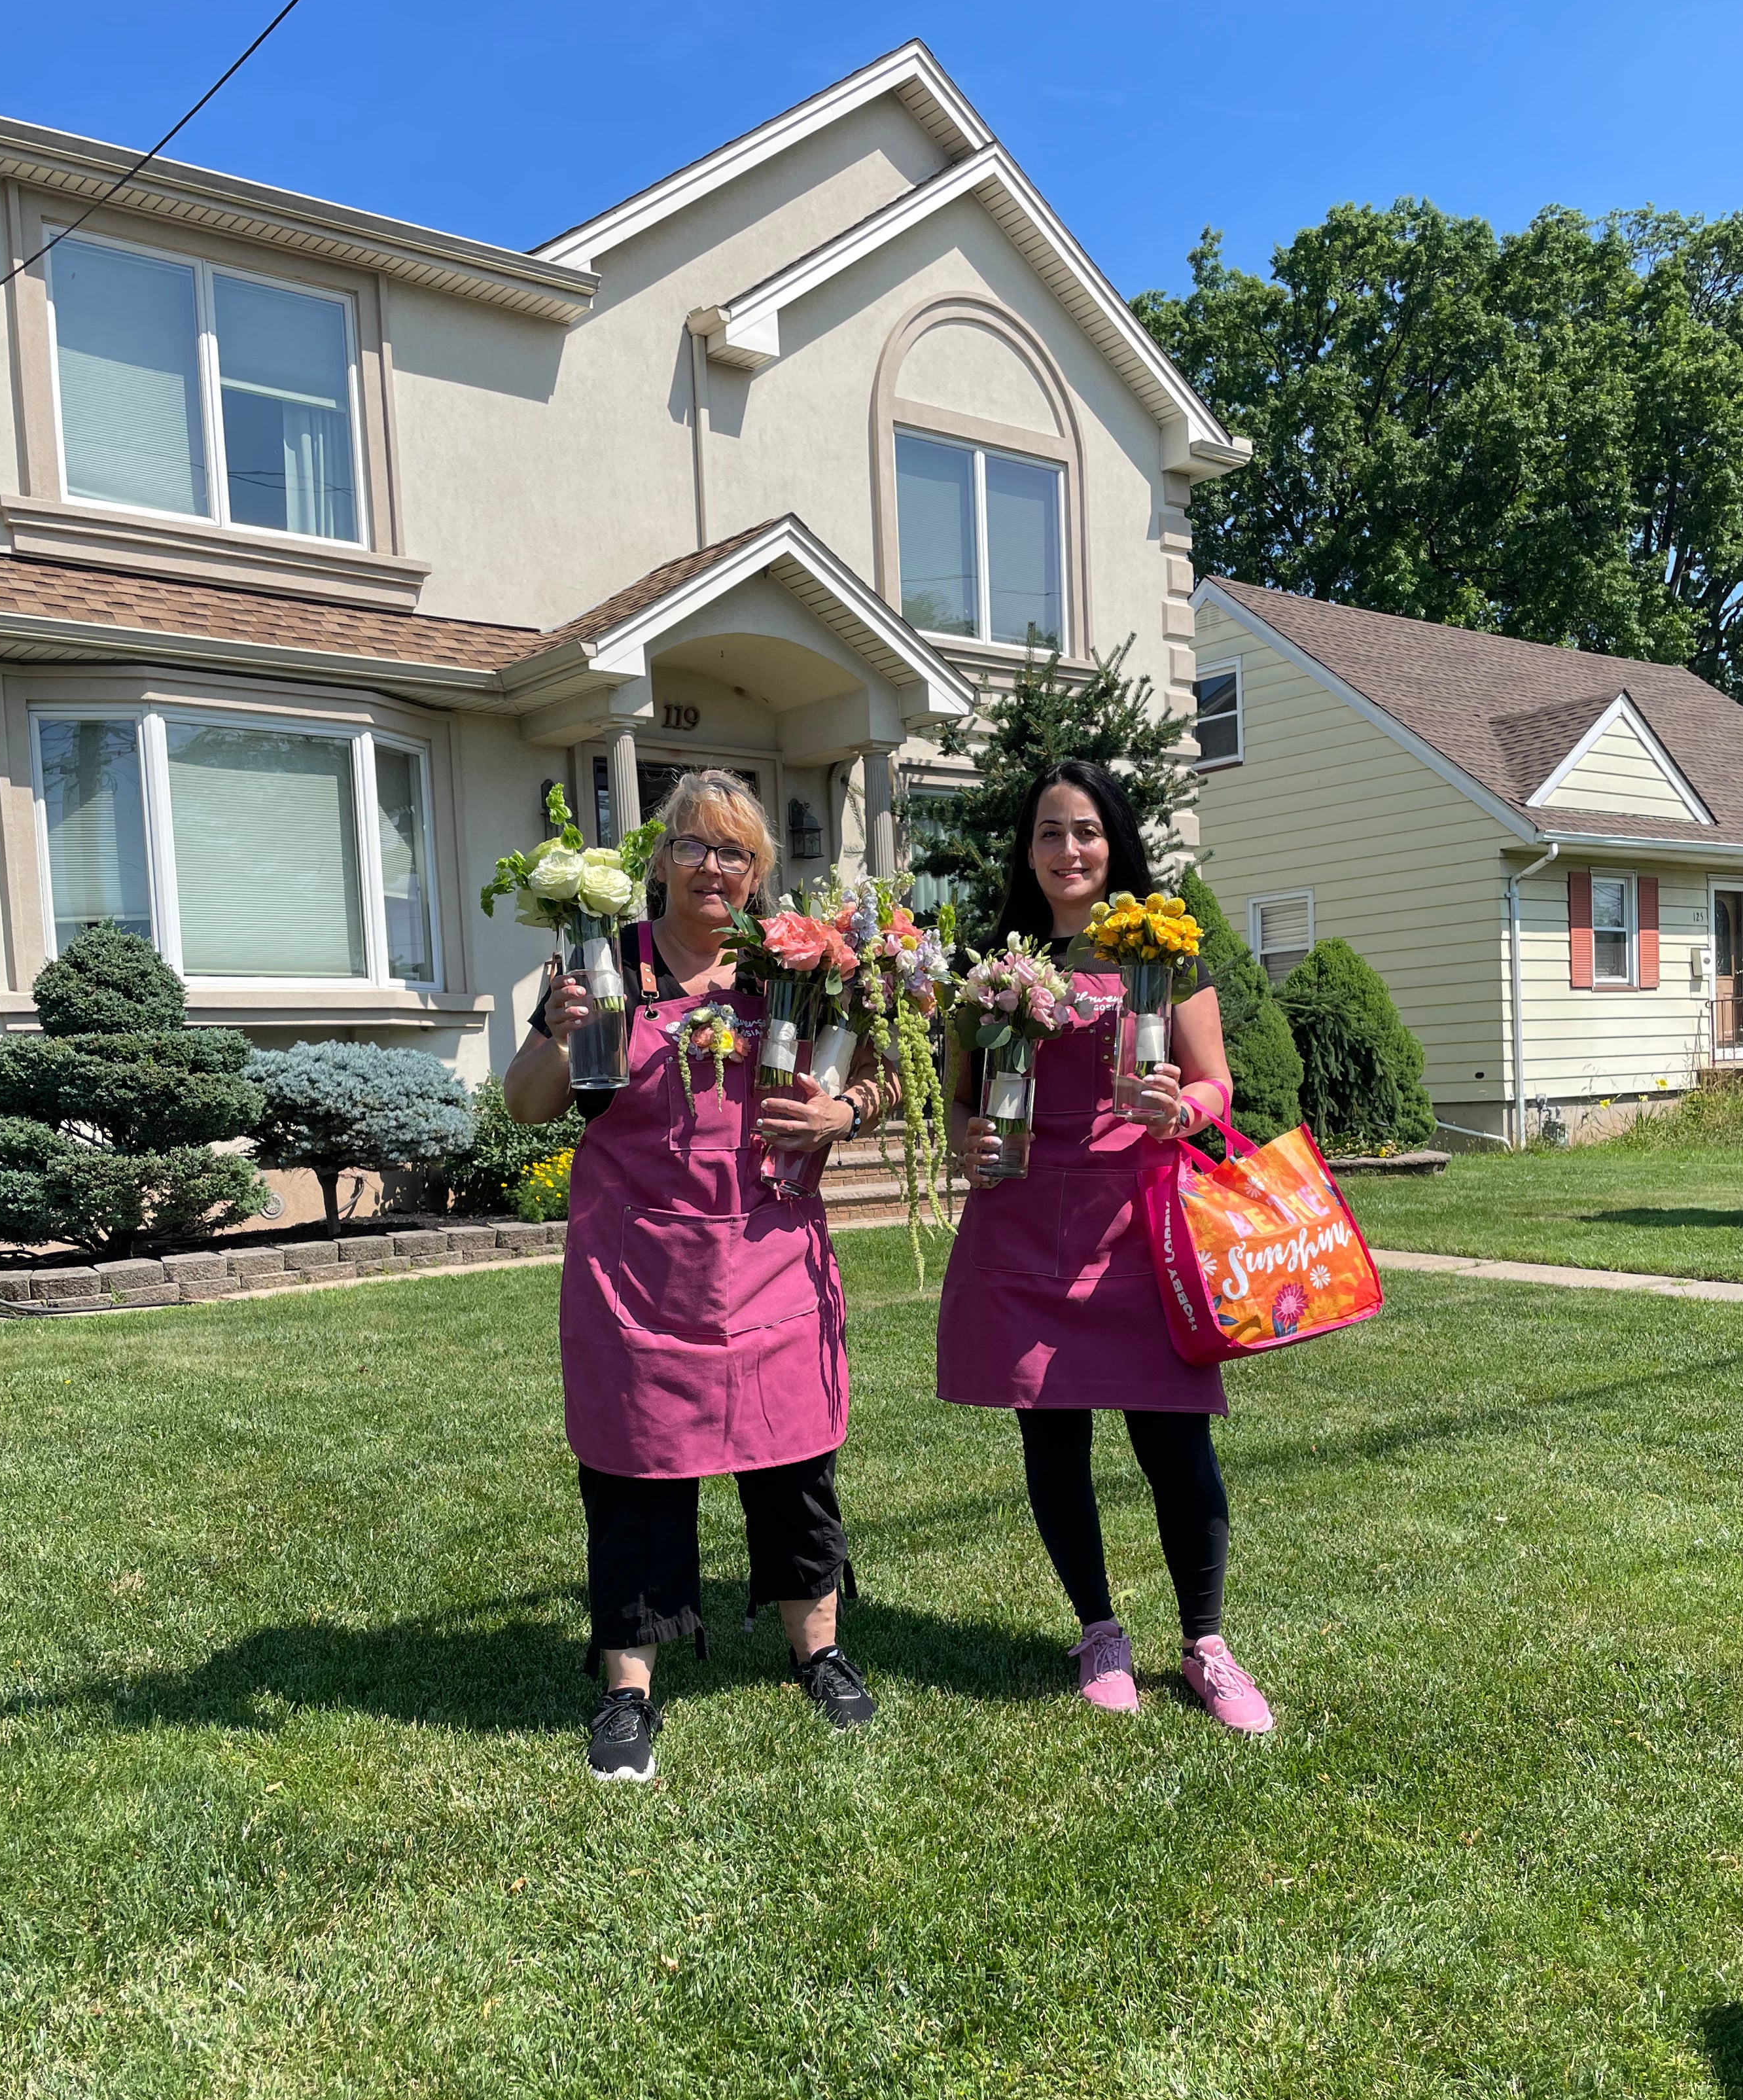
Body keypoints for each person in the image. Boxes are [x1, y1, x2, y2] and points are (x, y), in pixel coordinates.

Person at [505, 770, 890, 1781]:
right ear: (660, 859)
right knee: (635, 1474)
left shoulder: (793, 972)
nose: (713, 867)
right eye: (693, 846)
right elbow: (526, 1105)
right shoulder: (603, 963)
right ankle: (627, 1691)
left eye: (735, 852)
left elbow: (882, 1070)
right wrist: (555, 1028)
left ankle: (823, 1654)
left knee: (795, 1464)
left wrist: (844, 1114)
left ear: (759, 872)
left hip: (770, 1258)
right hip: (637, 1270)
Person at [936, 760, 1272, 1733]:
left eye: (1084, 831)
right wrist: (967, 1136)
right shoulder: (994, 961)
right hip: (1025, 1219)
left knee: (1178, 1443)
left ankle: (1206, 1643)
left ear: (1113, 841)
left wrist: (1183, 1107)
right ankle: (1099, 1631)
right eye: (1049, 832)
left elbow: (1218, 1088)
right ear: (1027, 849)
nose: (1067, 850)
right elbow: (964, 1098)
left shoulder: (1163, 952)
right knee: (1054, 1441)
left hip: (1136, 1227)